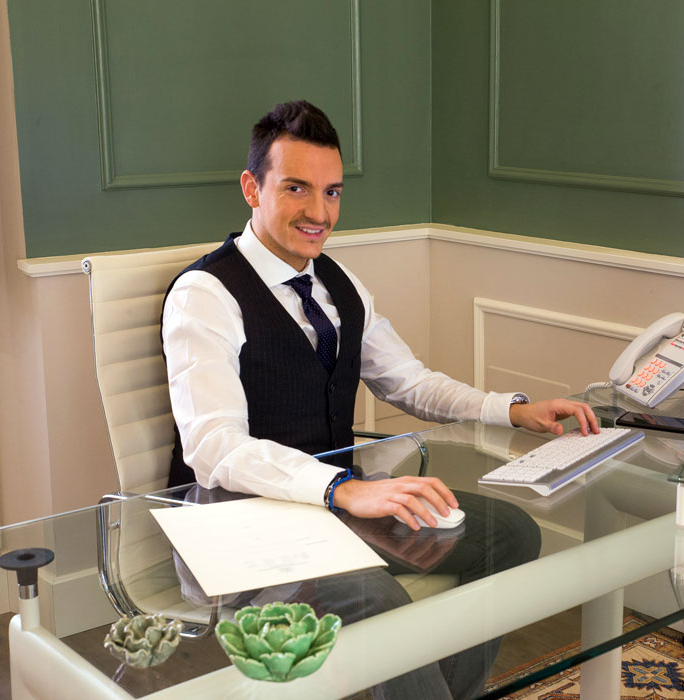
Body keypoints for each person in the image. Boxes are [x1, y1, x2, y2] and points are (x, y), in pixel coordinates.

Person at [161, 100, 599, 699]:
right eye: (296, 188)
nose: (320, 213)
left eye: (332, 192)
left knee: (512, 534)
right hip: (241, 529)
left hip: (338, 510)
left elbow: (409, 382)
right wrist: (342, 488)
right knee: (375, 598)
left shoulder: (339, 285)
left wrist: (510, 409)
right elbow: (214, 447)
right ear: (251, 188)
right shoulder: (205, 293)